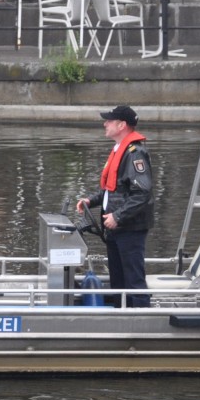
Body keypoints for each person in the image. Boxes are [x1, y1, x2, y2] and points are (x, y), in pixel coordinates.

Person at [76, 105, 154, 308]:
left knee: (133, 279)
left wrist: (118, 216)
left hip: (128, 227)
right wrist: (91, 201)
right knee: (118, 279)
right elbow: (112, 189)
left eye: (109, 121)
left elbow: (142, 193)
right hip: (115, 228)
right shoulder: (119, 150)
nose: (105, 124)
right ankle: (121, 314)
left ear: (121, 125)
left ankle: (143, 320)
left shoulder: (134, 154)